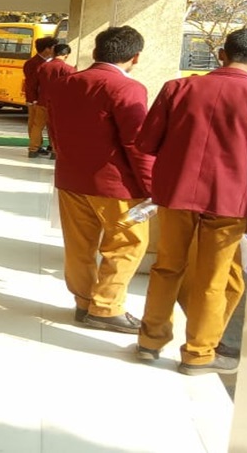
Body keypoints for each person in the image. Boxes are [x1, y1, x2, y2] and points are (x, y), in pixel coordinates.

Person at [134, 27, 247, 376]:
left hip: (176, 193)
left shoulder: (178, 88)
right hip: (229, 200)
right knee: (214, 279)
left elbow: (147, 144)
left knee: (167, 266)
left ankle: (150, 341)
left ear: (222, 53)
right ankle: (198, 354)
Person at [48, 27, 154, 334]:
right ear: (135, 57)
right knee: (128, 243)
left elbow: (54, 131)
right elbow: (136, 143)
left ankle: (84, 303)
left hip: (70, 178)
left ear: (95, 53)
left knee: (79, 246)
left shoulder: (65, 84)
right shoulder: (128, 89)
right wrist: (151, 187)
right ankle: (106, 306)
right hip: (114, 184)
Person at [36, 43, 76, 160]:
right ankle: (54, 150)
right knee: (56, 128)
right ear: (66, 55)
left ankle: (33, 149)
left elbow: (35, 83)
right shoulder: (68, 69)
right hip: (59, 104)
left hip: (42, 100)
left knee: (37, 126)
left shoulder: (43, 66)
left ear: (54, 53)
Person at [24, 36, 57, 158]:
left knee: (45, 124)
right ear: (47, 49)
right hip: (36, 100)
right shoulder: (32, 63)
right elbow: (30, 83)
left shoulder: (49, 62)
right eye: (53, 47)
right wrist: (31, 99)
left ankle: (44, 145)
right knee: (35, 124)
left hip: (46, 99)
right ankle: (36, 146)